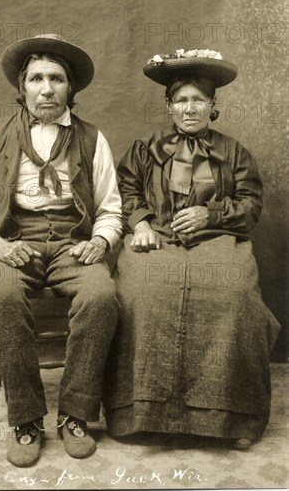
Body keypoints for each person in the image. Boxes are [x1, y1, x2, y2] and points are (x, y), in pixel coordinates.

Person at [102, 49, 280, 450]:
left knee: (234, 296)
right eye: (181, 100)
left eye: (198, 99)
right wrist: (142, 223)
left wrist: (210, 214)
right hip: (158, 240)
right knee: (139, 293)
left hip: (218, 241)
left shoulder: (234, 153)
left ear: (213, 105)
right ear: (168, 106)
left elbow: (251, 206)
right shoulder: (146, 149)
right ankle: (139, 413)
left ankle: (231, 417)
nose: (189, 108)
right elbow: (124, 191)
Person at [0, 34, 122, 466]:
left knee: (102, 296)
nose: (46, 88)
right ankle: (26, 420)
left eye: (57, 78)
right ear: (22, 86)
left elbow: (110, 207)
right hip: (14, 241)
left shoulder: (92, 138)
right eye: (36, 79)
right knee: (3, 297)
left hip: (73, 241)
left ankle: (75, 414)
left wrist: (101, 240)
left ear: (71, 88)